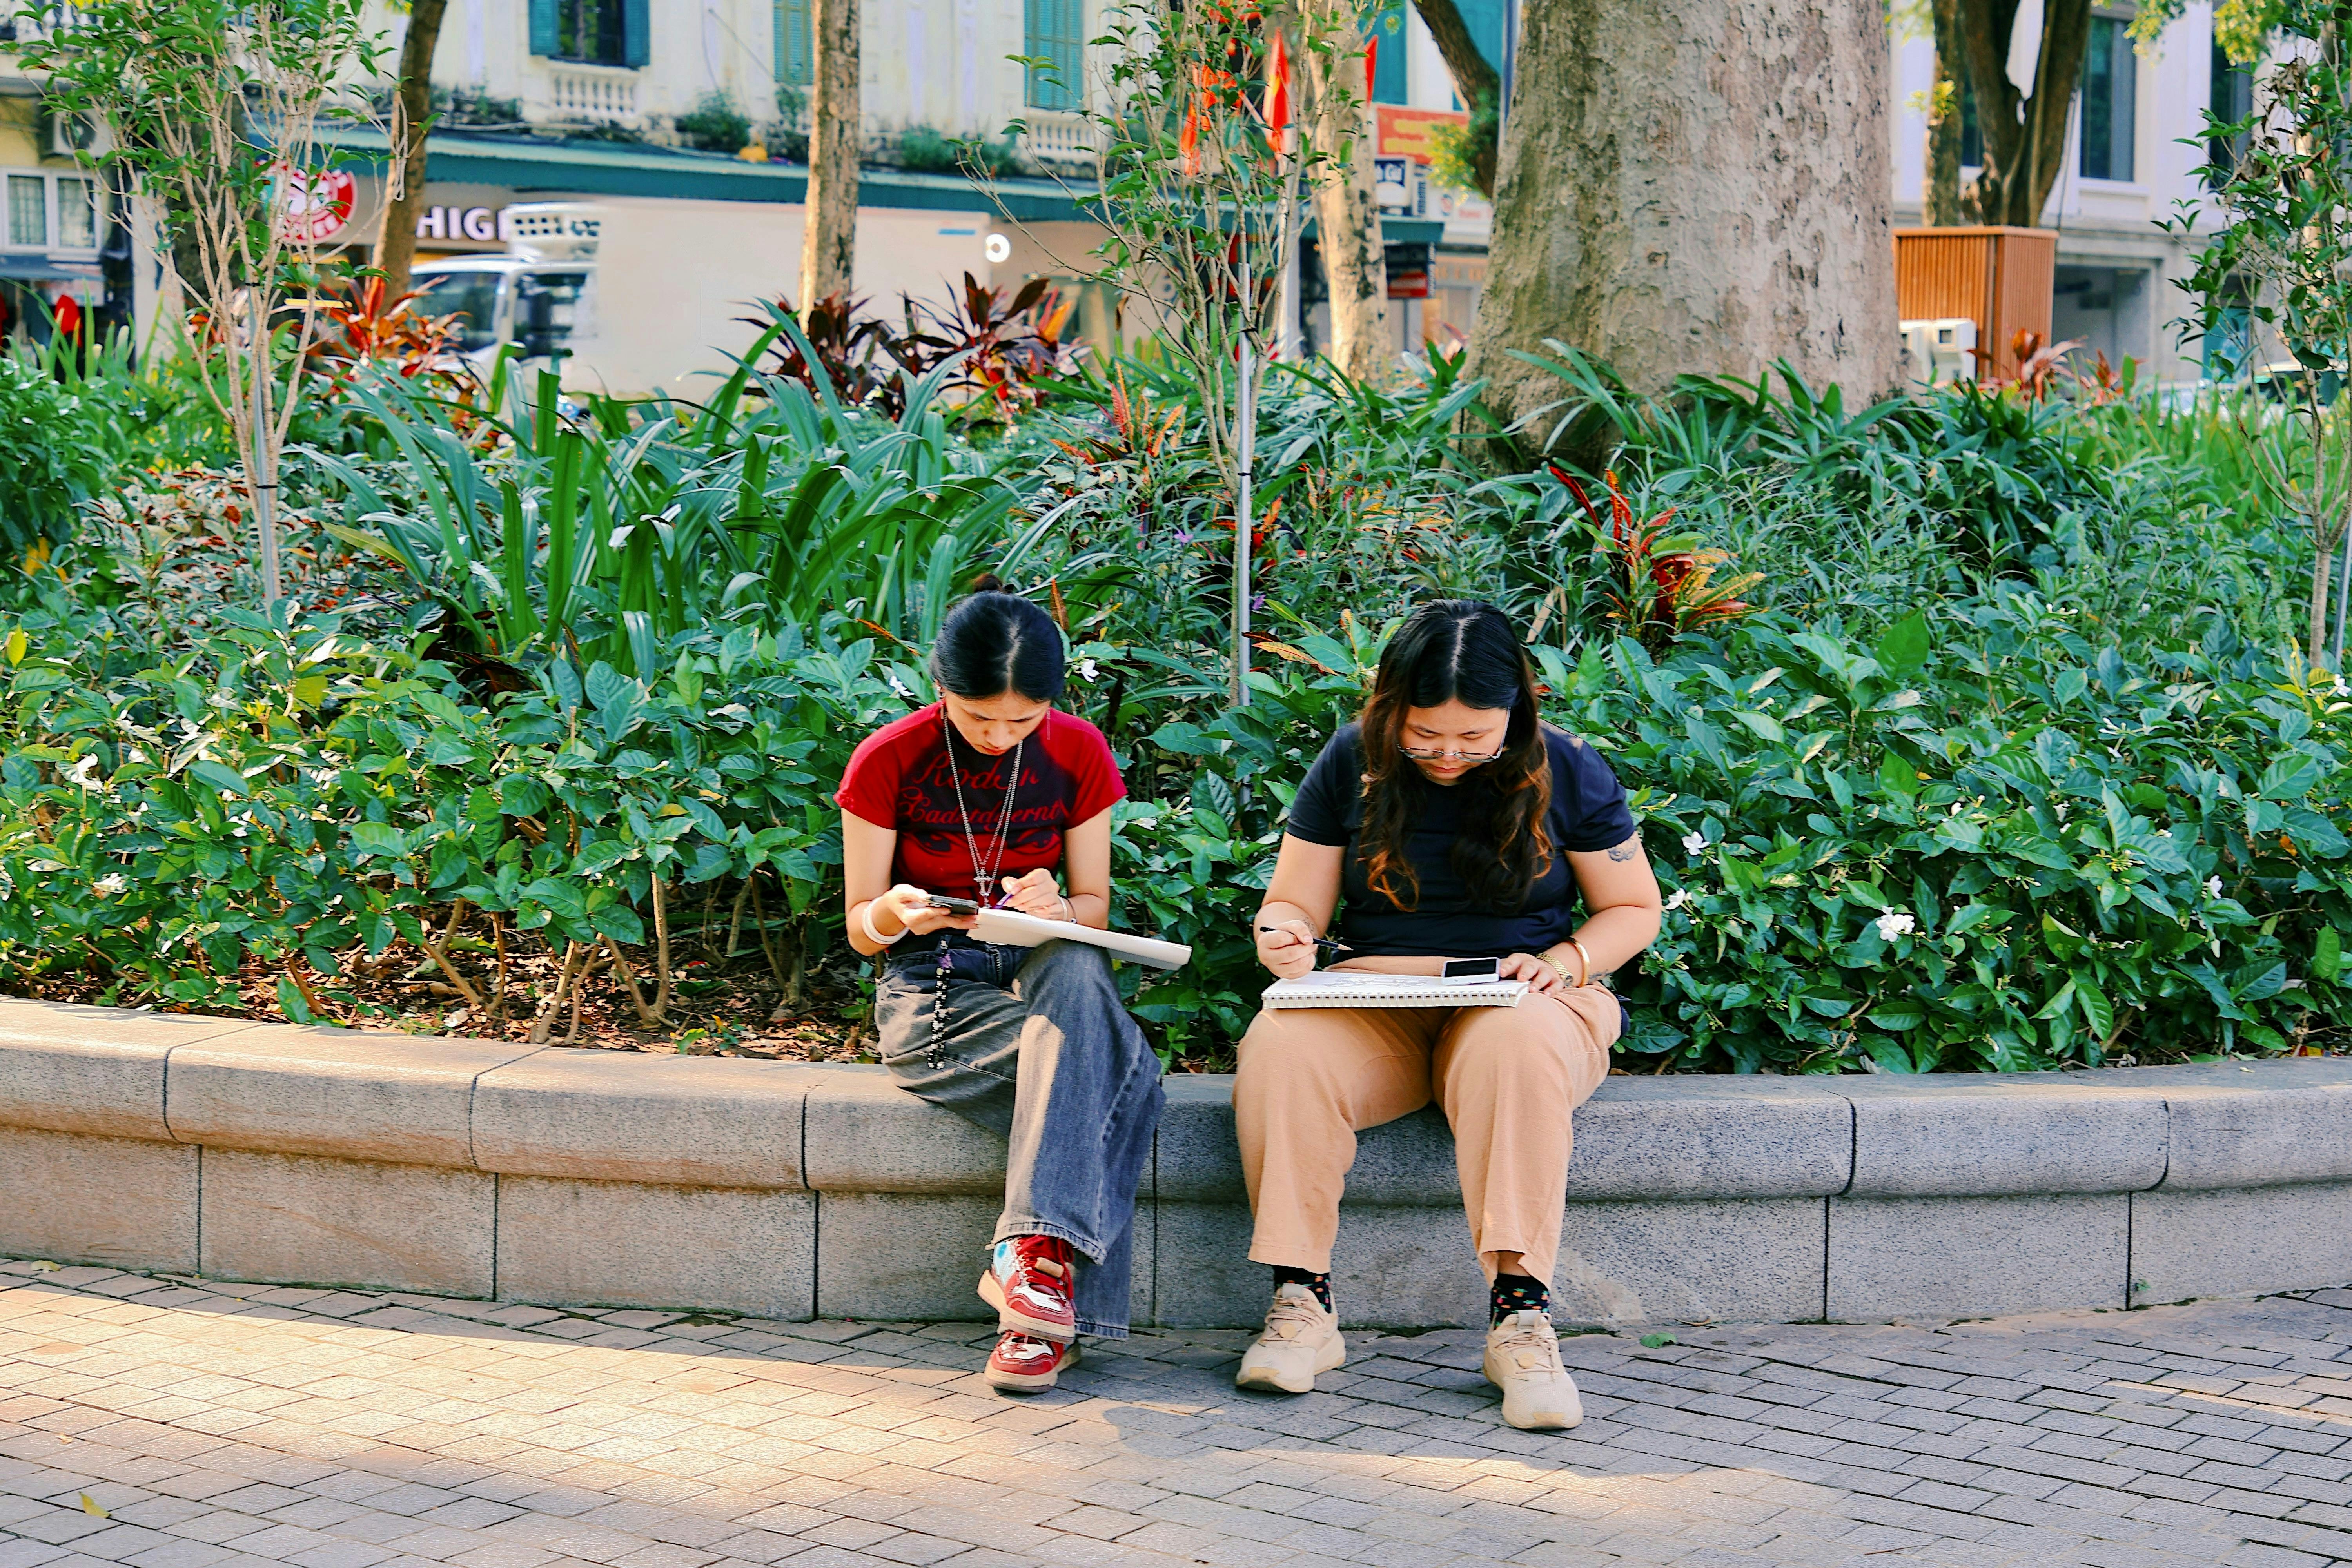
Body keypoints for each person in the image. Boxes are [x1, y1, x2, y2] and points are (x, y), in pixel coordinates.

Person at [1231, 599, 1663, 1430]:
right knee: (1281, 1041)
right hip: (1383, 998)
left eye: (1476, 737)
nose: (1449, 754)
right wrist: (1283, 936)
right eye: (1427, 734)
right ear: (1391, 705)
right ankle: (1302, 1305)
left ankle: (1521, 1320)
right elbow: (1293, 902)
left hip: (1527, 995)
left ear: (1518, 709)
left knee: (1515, 1039)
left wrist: (1565, 961)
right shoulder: (1351, 760)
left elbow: (1633, 909)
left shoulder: (1570, 768)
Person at [837, 590, 1164, 1392]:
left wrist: (1059, 906)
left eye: (1023, 722)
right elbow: (858, 926)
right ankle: (1048, 1310)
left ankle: (1028, 1279)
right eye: (980, 716)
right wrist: (891, 910)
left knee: (1080, 963)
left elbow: (1094, 908)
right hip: (935, 994)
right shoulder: (889, 757)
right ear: (941, 683)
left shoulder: (1079, 752)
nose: (998, 735)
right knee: (1118, 1072)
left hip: (1039, 976)